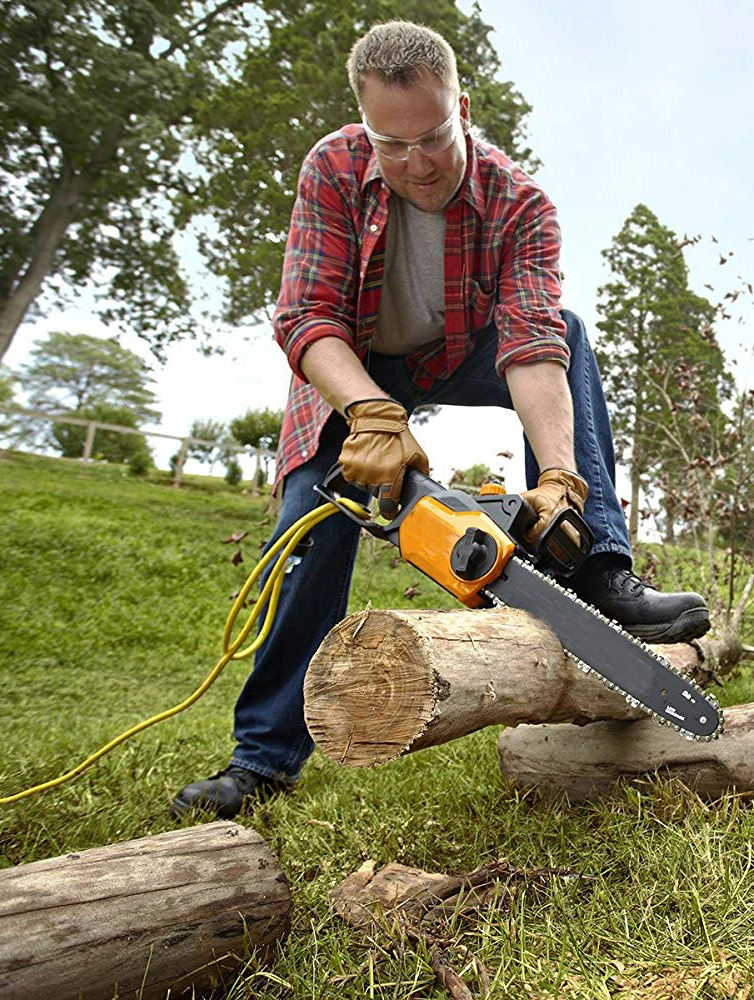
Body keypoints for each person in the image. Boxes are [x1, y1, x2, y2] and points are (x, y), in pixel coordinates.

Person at [172, 21, 710, 819]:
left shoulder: (518, 201)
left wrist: (559, 473)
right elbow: (305, 317)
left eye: (434, 138)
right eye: (395, 145)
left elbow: (529, 341)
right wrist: (371, 414)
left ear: (463, 106)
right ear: (365, 125)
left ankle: (597, 566)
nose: (417, 163)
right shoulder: (332, 166)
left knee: (568, 326)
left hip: (459, 349)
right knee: (311, 524)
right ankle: (263, 759)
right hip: (355, 366)